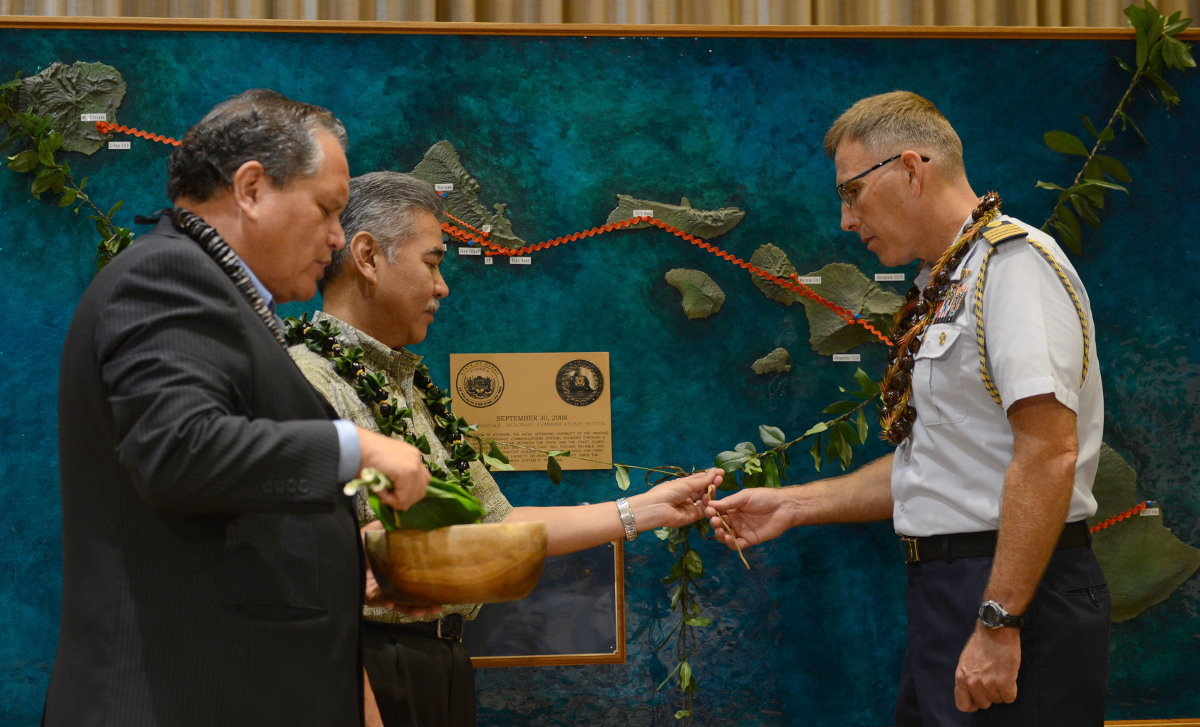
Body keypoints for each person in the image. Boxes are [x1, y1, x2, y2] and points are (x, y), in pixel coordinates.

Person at [707, 91, 1108, 726]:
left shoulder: (1014, 268)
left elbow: (1048, 452)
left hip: (1011, 591)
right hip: (954, 593)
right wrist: (793, 504)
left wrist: (1000, 621)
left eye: (852, 192)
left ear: (912, 169)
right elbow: (940, 467)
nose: (845, 219)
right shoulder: (946, 283)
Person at [46, 90, 431, 727]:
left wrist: (347, 558)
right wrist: (357, 447)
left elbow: (220, 506)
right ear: (251, 188)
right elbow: (179, 452)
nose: (337, 238)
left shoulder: (216, 294)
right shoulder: (167, 275)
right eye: (329, 210)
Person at [288, 170, 723, 727]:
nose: (443, 286)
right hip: (366, 671)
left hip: (442, 662)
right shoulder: (309, 383)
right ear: (368, 257)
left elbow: (499, 524)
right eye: (433, 261)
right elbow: (304, 582)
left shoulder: (410, 385)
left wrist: (645, 509)